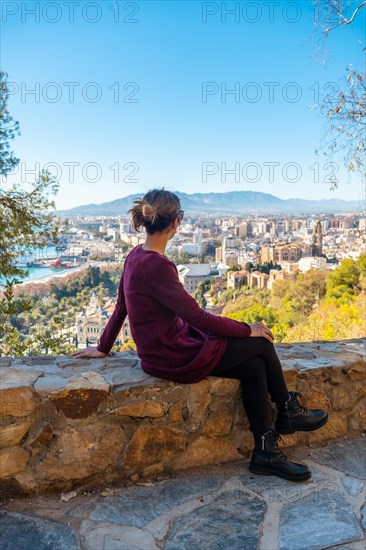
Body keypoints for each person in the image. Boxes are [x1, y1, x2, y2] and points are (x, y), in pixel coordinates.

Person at [73, 188, 328, 482]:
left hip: (161, 352)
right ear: (176, 223)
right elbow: (197, 317)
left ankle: (265, 451)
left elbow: (121, 307)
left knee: (254, 366)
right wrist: (249, 329)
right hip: (174, 356)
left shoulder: (135, 256)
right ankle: (288, 411)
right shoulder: (158, 267)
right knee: (260, 343)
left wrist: (104, 347)